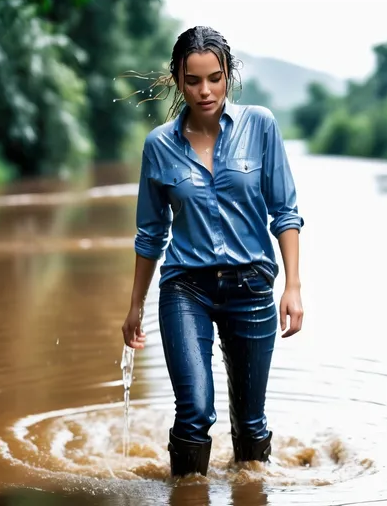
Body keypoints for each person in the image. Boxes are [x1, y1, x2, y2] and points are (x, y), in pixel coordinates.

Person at [121, 26, 304, 479]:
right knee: (195, 411)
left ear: (228, 76)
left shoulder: (260, 125)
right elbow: (150, 234)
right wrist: (134, 306)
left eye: (215, 78)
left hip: (252, 288)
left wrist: (294, 287)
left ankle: (251, 487)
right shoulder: (159, 145)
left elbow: (285, 212)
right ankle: (186, 492)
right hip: (187, 290)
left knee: (251, 420)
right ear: (177, 79)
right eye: (193, 80)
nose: (205, 91)